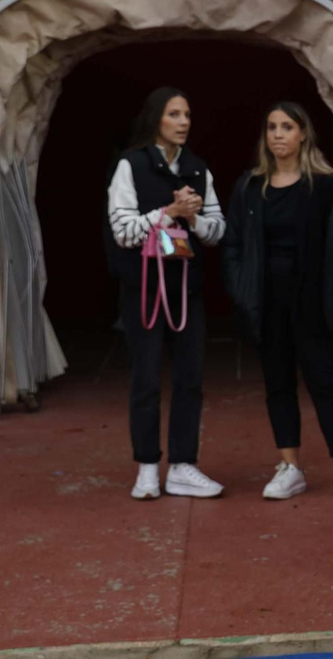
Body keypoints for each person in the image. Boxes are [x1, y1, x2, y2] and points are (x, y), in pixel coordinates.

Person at [221, 102, 333, 505]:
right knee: (277, 384)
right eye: (272, 127)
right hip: (266, 300)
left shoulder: (326, 185)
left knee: (324, 382)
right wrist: (242, 289)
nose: (278, 134)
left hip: (311, 301)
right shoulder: (250, 186)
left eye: (287, 127)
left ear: (303, 134)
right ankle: (289, 467)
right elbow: (234, 242)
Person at [108, 87, 227, 501]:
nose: (184, 122)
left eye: (188, 114)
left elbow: (217, 231)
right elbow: (122, 231)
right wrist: (168, 213)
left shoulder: (198, 169)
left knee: (190, 378)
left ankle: (182, 466)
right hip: (143, 289)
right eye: (175, 114)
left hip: (186, 290)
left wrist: (193, 218)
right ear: (156, 118)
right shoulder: (131, 165)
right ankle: (146, 468)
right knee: (145, 378)